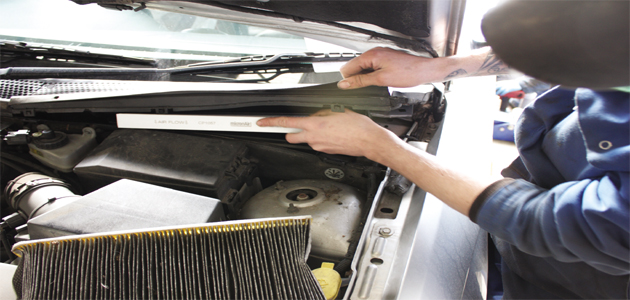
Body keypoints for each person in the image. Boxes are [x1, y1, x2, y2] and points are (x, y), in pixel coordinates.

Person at [258, 0, 629, 298]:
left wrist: (381, 147)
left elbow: (551, 222)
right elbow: (570, 56)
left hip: (578, 278)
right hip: (524, 225)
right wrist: (438, 68)